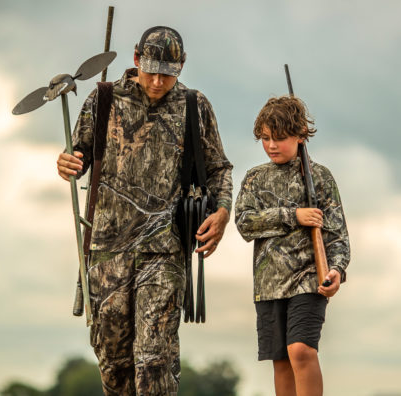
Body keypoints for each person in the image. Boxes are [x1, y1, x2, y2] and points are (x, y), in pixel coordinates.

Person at [56, 26, 233, 395]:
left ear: (181, 66)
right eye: (150, 69)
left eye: (167, 73)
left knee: (154, 360)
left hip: (165, 252)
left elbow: (219, 169)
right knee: (114, 360)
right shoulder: (101, 100)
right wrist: (67, 163)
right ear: (136, 58)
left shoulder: (194, 106)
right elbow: (78, 156)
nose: (156, 80)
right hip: (106, 251)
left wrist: (222, 212)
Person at [235, 96, 350, 396]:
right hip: (268, 285)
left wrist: (336, 270)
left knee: (301, 350)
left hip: (308, 280)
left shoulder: (321, 177)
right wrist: (293, 216)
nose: (272, 145)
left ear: (301, 136)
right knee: (281, 361)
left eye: (280, 138)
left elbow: (337, 235)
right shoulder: (254, 178)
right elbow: (244, 222)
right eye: (265, 138)